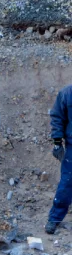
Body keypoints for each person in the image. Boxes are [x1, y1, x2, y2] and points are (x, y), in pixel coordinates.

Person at [46, 86, 72, 234]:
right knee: (67, 183)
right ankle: (55, 218)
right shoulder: (66, 94)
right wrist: (57, 142)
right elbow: (57, 117)